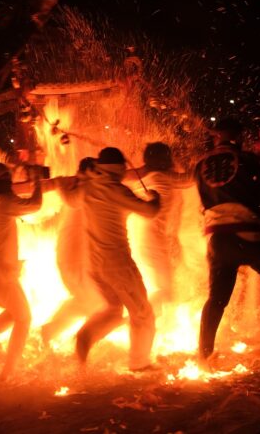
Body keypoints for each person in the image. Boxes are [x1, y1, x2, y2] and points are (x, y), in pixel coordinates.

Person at [194, 117, 260, 363]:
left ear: (216, 138)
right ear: (239, 137)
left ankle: (204, 353)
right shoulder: (249, 160)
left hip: (218, 240)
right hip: (249, 234)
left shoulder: (200, 165)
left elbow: (203, 203)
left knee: (216, 299)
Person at [72, 148, 160, 371]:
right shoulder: (116, 190)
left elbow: (71, 197)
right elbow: (150, 211)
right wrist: (155, 198)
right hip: (117, 264)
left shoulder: (87, 187)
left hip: (93, 264)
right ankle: (139, 363)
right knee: (142, 313)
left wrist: (82, 175)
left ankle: (83, 341)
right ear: (120, 169)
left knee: (112, 311)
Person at [0, 162, 42, 379]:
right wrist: (38, 182)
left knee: (15, 313)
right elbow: (35, 205)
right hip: (1, 277)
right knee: (24, 318)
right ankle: (8, 373)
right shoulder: (4, 201)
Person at [126, 142, 192, 310]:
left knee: (159, 288)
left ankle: (149, 322)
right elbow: (190, 179)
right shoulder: (164, 177)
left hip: (136, 236)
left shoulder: (143, 176)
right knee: (164, 290)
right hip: (152, 238)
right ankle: (136, 318)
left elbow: (124, 174)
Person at [41, 157, 99, 344]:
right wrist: (58, 183)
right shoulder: (82, 190)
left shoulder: (82, 188)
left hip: (77, 255)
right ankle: (56, 332)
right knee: (93, 300)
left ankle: (51, 330)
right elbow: (72, 201)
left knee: (89, 299)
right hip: (72, 256)